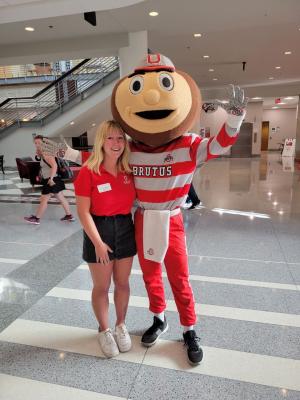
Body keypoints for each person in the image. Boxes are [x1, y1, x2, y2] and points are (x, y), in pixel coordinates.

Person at [42, 54, 247, 366]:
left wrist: (234, 118)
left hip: (172, 218)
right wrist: (67, 152)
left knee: (179, 277)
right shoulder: (132, 149)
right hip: (140, 217)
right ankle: (159, 317)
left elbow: (219, 145)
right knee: (151, 274)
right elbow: (101, 158)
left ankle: (190, 329)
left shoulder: (188, 145)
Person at [74, 120, 136, 358]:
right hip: (98, 230)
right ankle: (104, 329)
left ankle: (120, 325)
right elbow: (83, 211)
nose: (116, 143)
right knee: (102, 286)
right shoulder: (89, 172)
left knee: (123, 283)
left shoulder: (128, 170)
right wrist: (98, 243)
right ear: (101, 141)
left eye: (120, 138)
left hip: (124, 227)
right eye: (110, 138)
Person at [24, 135, 75, 225]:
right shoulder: (45, 152)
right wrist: (40, 155)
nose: (37, 145)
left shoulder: (47, 153)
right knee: (61, 197)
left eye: (39, 143)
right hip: (54, 179)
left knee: (44, 199)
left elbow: (54, 166)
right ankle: (69, 215)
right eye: (35, 143)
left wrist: (51, 179)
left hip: (51, 180)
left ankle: (36, 218)